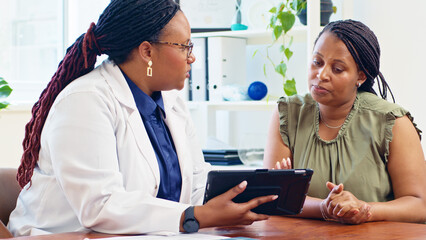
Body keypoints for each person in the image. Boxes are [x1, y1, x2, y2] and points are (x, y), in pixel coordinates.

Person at [8, 0, 277, 236]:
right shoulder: (85, 100)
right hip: (59, 236)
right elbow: (100, 207)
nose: (192, 57)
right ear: (147, 51)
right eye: (184, 46)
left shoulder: (171, 102)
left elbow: (195, 183)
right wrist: (195, 217)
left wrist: (244, 193)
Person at [264, 19, 426, 224]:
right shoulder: (287, 114)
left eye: (337, 69)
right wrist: (324, 208)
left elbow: (419, 205)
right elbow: (272, 197)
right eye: (317, 62)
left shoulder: (393, 122)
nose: (321, 75)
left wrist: (364, 209)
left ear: (361, 76)